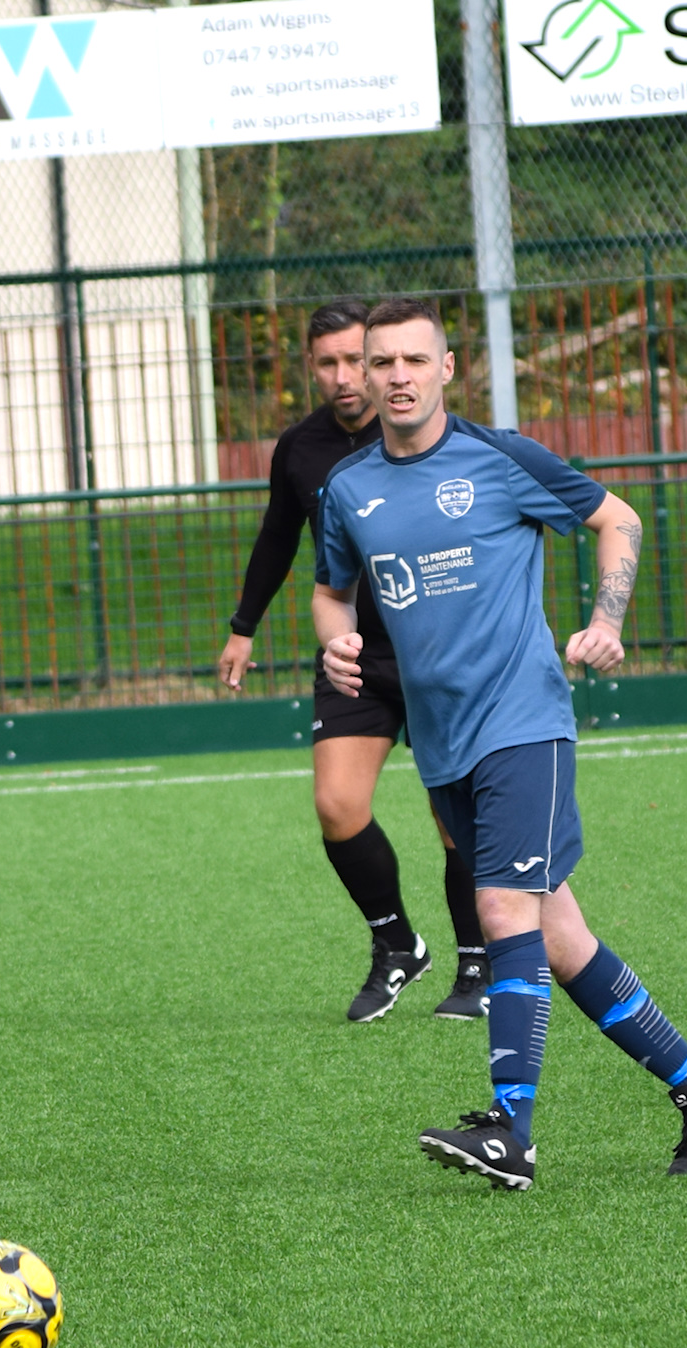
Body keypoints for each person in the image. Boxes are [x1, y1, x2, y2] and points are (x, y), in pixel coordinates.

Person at [313, 298, 687, 1190]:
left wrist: (606, 619)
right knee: (558, 935)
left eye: (411, 360)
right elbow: (331, 589)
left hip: (525, 722)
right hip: (443, 747)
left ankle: (512, 1131)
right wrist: (336, 640)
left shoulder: (500, 458)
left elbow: (616, 517)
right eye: (378, 362)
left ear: (446, 368)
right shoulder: (349, 488)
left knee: (503, 914)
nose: (394, 376)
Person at [216, 300, 488, 1024]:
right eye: (329, 363)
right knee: (337, 806)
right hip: (353, 656)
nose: (345, 377)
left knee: (453, 818)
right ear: (314, 367)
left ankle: (478, 964)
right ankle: (397, 944)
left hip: (436, 654)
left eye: (354, 360)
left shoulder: (423, 440)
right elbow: (279, 538)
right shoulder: (300, 450)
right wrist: (244, 626)